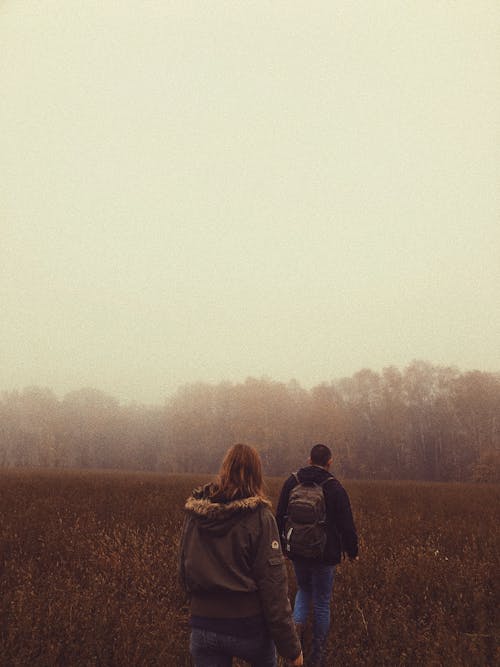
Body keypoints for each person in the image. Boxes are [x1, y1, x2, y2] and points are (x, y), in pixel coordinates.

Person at [179, 443, 303, 667]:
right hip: (248, 627)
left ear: (224, 468)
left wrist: (201, 610)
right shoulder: (260, 518)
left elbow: (183, 571)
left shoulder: (195, 515)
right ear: (257, 474)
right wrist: (292, 649)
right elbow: (273, 588)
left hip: (203, 625)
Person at [276, 444, 358, 667]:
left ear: (309, 459)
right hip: (325, 555)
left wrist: (281, 546)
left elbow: (279, 515)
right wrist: (353, 551)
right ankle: (318, 656)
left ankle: (295, 651)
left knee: (303, 590)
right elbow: (347, 525)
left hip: (298, 552)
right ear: (329, 462)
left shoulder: (292, 482)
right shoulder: (334, 487)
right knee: (322, 602)